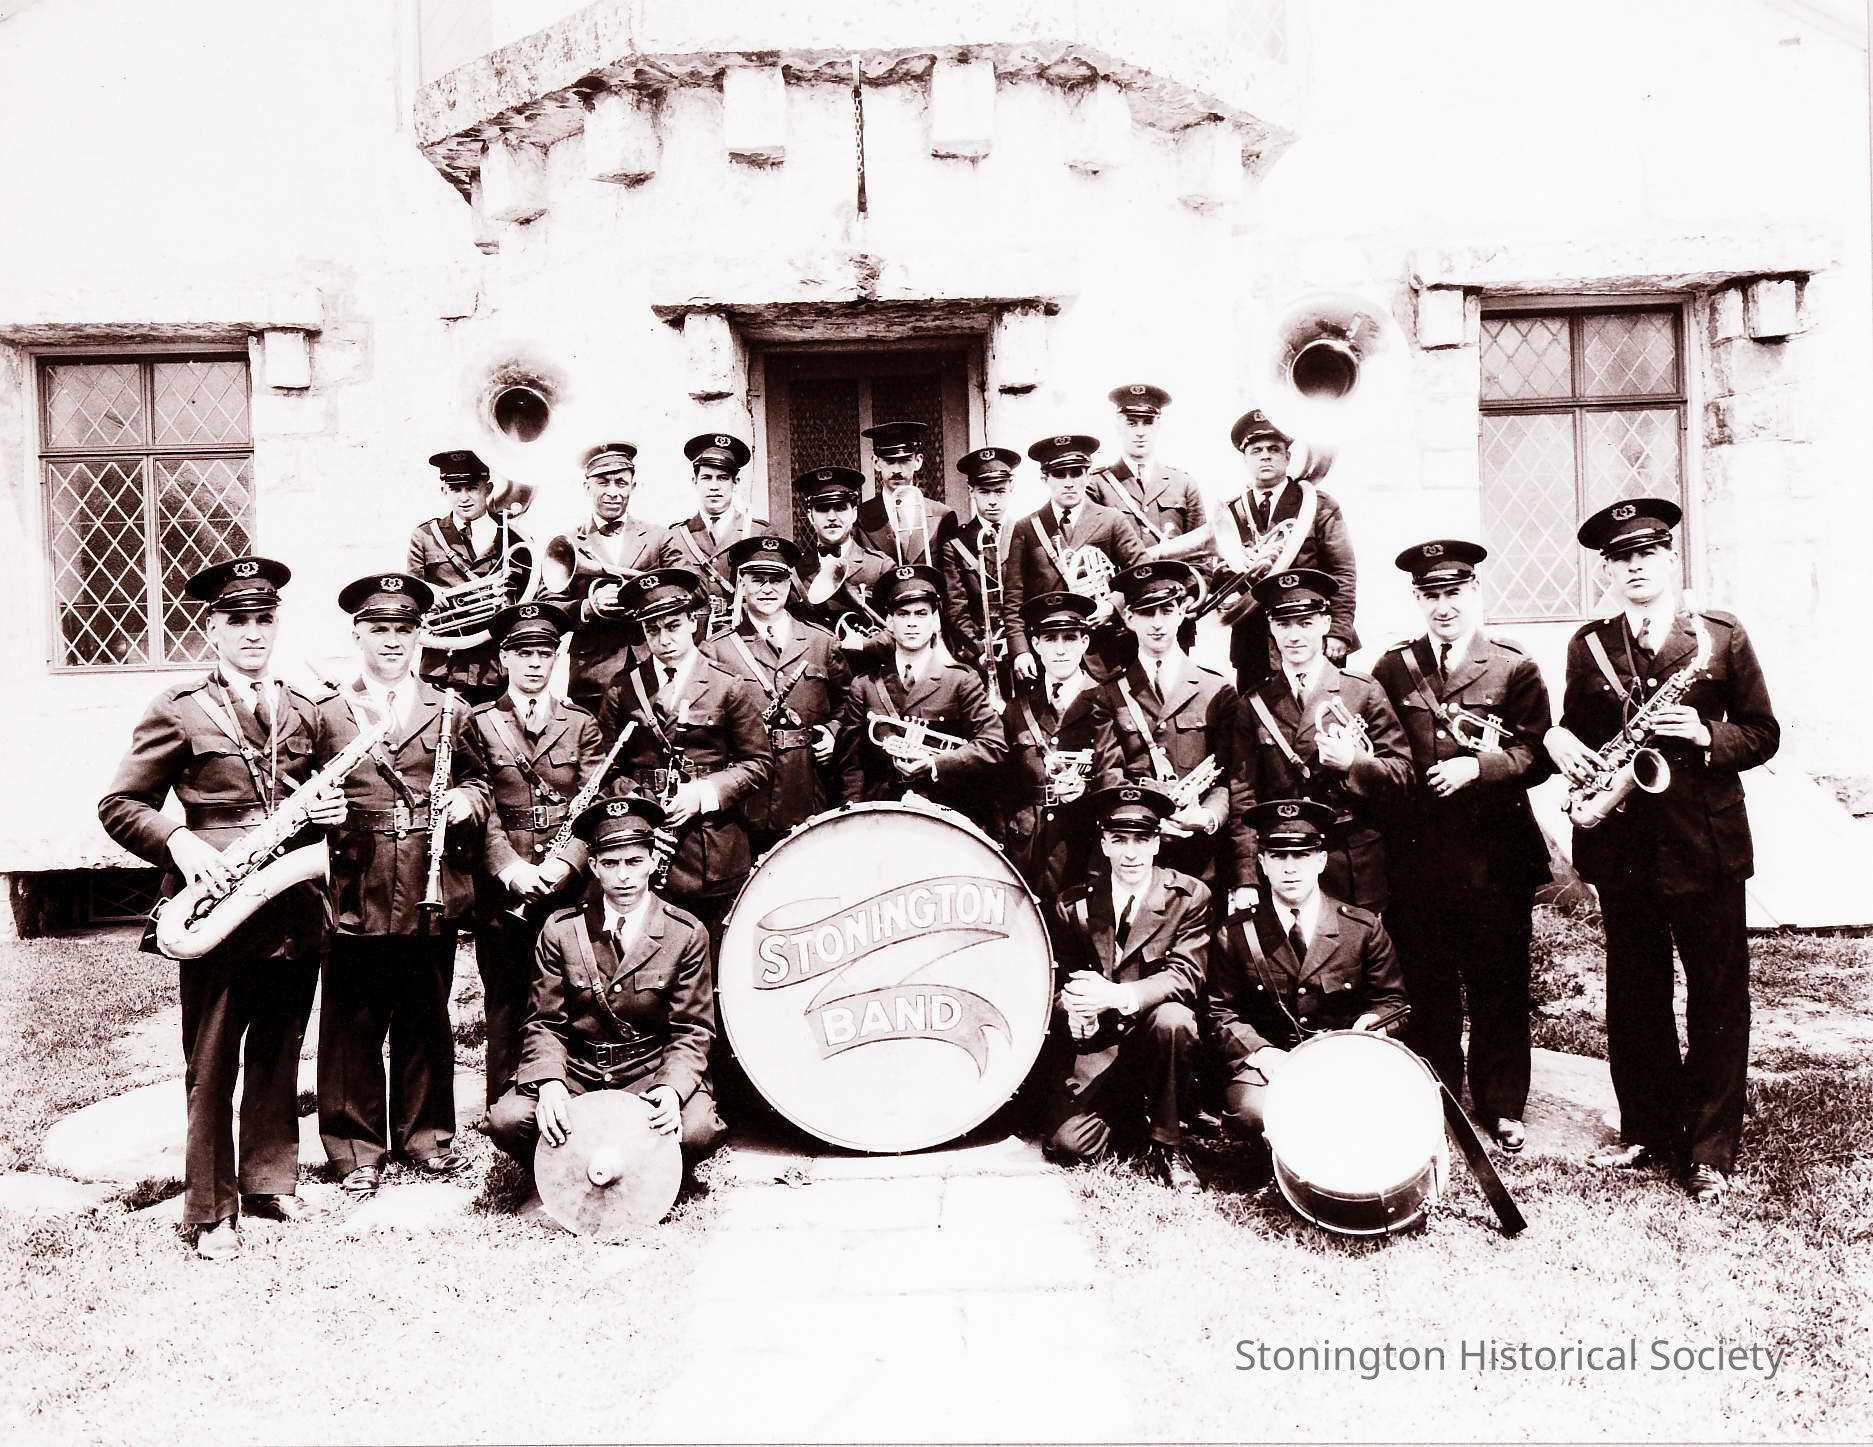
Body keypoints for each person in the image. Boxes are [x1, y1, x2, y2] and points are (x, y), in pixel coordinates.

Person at [98, 556, 347, 1259]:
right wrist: (178, 841)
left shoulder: (305, 706)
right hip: (214, 903)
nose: (252, 632)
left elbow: (330, 798)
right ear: (212, 629)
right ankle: (210, 1209)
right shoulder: (177, 707)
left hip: (290, 900)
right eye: (237, 621)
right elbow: (120, 804)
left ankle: (269, 1181)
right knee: (211, 1060)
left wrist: (331, 812)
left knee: (279, 1045)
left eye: (263, 619)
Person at [1544, 498, 1779, 1202]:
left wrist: (1706, 735)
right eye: (1620, 558)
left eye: (1647, 553)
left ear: (1671, 558)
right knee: (1635, 993)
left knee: (1716, 996)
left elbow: (1763, 733)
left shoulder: (1718, 635)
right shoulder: (1588, 645)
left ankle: (1708, 1149)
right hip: (1624, 845)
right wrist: (1565, 747)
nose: (1635, 566)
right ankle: (1646, 1127)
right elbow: (1578, 730)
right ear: (1606, 572)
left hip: (1704, 843)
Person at [1371, 540, 1554, 1153]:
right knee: (1428, 982)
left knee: (1499, 980)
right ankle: (1439, 1095)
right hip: (1418, 852)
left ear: (1474, 593)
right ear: (1416, 599)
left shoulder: (1512, 665)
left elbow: (1537, 754)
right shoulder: (1394, 667)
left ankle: (1503, 1105)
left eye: (1453, 593)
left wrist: (1479, 767)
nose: (1443, 606)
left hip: (1495, 853)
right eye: (1431, 595)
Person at [315, 572, 492, 1199]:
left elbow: (479, 780)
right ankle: (355, 1148)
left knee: (425, 1012)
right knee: (352, 1021)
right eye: (379, 629)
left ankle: (426, 1137)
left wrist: (467, 801)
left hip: (427, 878)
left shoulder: (449, 709)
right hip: (356, 880)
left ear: (420, 636)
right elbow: (301, 789)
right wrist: (321, 812)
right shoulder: (326, 712)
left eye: (403, 629)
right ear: (358, 635)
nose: (392, 641)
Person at [486, 795, 726, 1175]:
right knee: (509, 1119)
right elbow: (544, 1022)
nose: (624, 876)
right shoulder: (562, 929)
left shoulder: (685, 932)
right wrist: (550, 1081)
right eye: (611, 863)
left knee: (698, 1129)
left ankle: (641, 1166)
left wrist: (670, 1088)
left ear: (653, 860)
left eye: (634, 861)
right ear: (594, 866)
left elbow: (692, 1029)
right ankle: (564, 1165)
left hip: (648, 1070)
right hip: (578, 1070)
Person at [465, 601, 609, 1114]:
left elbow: (592, 804)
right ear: (503, 658)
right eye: (523, 653)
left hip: (566, 885)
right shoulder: (480, 723)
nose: (533, 663)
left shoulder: (580, 723)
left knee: (570, 991)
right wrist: (509, 868)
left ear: (555, 659)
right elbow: (480, 805)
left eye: (543, 654)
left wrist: (565, 865)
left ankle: (568, 1096)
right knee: (506, 994)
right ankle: (505, 1104)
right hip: (505, 887)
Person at [1207, 799, 1408, 1144]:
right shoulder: (1236, 933)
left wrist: (1373, 1025)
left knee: (1378, 1107)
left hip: (1343, 1061)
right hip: (1271, 1065)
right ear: (1262, 863)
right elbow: (1219, 1012)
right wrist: (1261, 1052)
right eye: (1278, 856)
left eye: (1301, 855)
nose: (1290, 868)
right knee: (1256, 1111)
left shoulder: (1361, 928)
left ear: (1321, 861)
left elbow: (1393, 1001)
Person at [1041, 783, 1208, 1191]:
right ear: (1104, 844)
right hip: (1101, 1047)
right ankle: (1133, 1116)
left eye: (1141, 840)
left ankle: (1168, 1145)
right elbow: (1058, 987)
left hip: (1156, 1040)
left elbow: (1186, 976)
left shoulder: (1188, 897)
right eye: (1119, 840)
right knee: (1068, 1146)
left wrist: (1116, 996)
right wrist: (1074, 1012)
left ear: (1157, 843)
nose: (1130, 853)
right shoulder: (1075, 904)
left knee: (1174, 1019)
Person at [594, 568, 773, 946]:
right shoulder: (623, 689)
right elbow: (604, 767)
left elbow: (758, 763)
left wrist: (703, 794)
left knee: (716, 956)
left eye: (673, 626)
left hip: (713, 852)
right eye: (652, 630)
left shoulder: (728, 685)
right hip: (647, 849)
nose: (664, 640)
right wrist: (638, 802)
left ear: (693, 622)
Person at [1227, 568, 1410, 912]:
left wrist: (1353, 762)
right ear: (1270, 627)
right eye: (1284, 624)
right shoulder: (1254, 703)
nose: (1294, 635)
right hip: (1285, 862)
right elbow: (1243, 794)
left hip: (1352, 862)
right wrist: (1246, 876)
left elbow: (1402, 774)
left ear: (1326, 623)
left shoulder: (1362, 690)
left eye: (1306, 623)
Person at [704, 534, 850, 854]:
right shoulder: (718, 649)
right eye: (758, 579)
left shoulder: (821, 642)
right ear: (741, 582)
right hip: (746, 800)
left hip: (807, 787)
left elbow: (847, 704)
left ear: (789, 582)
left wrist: (832, 731)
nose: (768, 589)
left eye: (777, 579)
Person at [1096, 560, 1235, 887]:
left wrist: (1206, 817)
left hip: (1201, 857)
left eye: (1167, 610)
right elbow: (1109, 774)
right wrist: (1150, 819)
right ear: (1129, 618)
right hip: (1137, 853)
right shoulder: (1109, 694)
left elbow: (1232, 777)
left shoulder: (1217, 690)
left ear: (1182, 611)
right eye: (1146, 612)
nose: (1157, 623)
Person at [834, 562, 1007, 819]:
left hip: (944, 812)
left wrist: (934, 763)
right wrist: (854, 817)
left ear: (935, 621)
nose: (912, 623)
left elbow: (993, 745)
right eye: (903, 614)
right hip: (883, 814)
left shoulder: (961, 680)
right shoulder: (865, 685)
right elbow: (851, 766)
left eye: (921, 614)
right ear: (890, 622)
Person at [1211, 410, 1359, 692]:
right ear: (1245, 459)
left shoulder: (1318, 504)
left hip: (1312, 633)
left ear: (1288, 457)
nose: (1265, 456)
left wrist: (1339, 631)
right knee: (1256, 715)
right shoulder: (1229, 512)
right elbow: (1219, 572)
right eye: (1256, 451)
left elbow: (1343, 571)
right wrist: (1226, 591)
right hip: (1253, 639)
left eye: (1274, 449)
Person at [1002, 433, 1147, 682]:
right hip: (1049, 652)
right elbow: (1014, 598)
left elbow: (1142, 575)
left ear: (1087, 476)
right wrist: (1020, 650)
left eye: (1077, 473)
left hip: (1104, 652)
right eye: (1060, 474)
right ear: (1044, 478)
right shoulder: (1026, 528)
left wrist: (1112, 605)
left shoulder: (1112, 520)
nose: (1069, 482)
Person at [548, 441, 675, 715]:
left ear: (633, 486)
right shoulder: (566, 542)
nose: (613, 492)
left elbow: (694, 589)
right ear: (587, 487)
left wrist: (644, 595)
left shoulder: (660, 537)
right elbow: (548, 607)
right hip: (592, 676)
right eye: (603, 483)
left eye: (621, 483)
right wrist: (588, 606)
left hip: (651, 666)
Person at [1001, 592, 1106, 907]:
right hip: (1028, 854)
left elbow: (1116, 774)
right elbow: (1002, 786)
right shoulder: (1017, 709)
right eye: (1050, 639)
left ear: (1085, 642)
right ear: (1036, 644)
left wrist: (1085, 791)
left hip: (1084, 849)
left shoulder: (1106, 701)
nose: (1060, 649)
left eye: (1070, 638)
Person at [407, 448, 523, 704]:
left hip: (497, 667)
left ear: (487, 488)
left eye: (471, 488)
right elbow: (410, 602)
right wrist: (426, 593)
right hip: (443, 667)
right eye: (455, 489)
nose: (464, 498)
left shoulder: (513, 537)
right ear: (444, 491)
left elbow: (529, 597)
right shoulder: (425, 536)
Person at [660, 432, 767, 641]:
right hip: (693, 641)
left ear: (736, 482)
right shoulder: (675, 536)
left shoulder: (757, 532)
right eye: (706, 478)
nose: (714, 486)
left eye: (723, 478)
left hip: (744, 638)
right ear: (695, 481)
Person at [1090, 384, 1209, 564]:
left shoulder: (1183, 484)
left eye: (1148, 422)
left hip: (1177, 582)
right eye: (1131, 423)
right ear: (1118, 426)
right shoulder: (1097, 485)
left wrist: (1195, 584)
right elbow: (1093, 554)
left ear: (1159, 425)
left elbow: (1202, 554)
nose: (1140, 432)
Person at [796, 465, 897, 661]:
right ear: (810, 516)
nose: (832, 517)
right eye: (822, 509)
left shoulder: (880, 566)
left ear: (854, 513)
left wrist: (863, 644)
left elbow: (900, 631)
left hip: (867, 671)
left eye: (841, 508)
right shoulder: (796, 571)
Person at [938, 446, 1017, 684]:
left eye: (1000, 491)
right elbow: (956, 607)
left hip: (1023, 650)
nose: (992, 501)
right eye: (984, 492)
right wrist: (981, 650)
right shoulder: (956, 543)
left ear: (1012, 488)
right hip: (978, 652)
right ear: (971, 490)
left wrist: (1019, 645)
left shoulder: (1025, 533)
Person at [853, 420, 957, 565]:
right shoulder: (859, 518)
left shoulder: (942, 515)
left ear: (918, 461)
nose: (897, 470)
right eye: (889, 461)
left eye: (904, 461)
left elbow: (950, 574)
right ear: (876, 463)